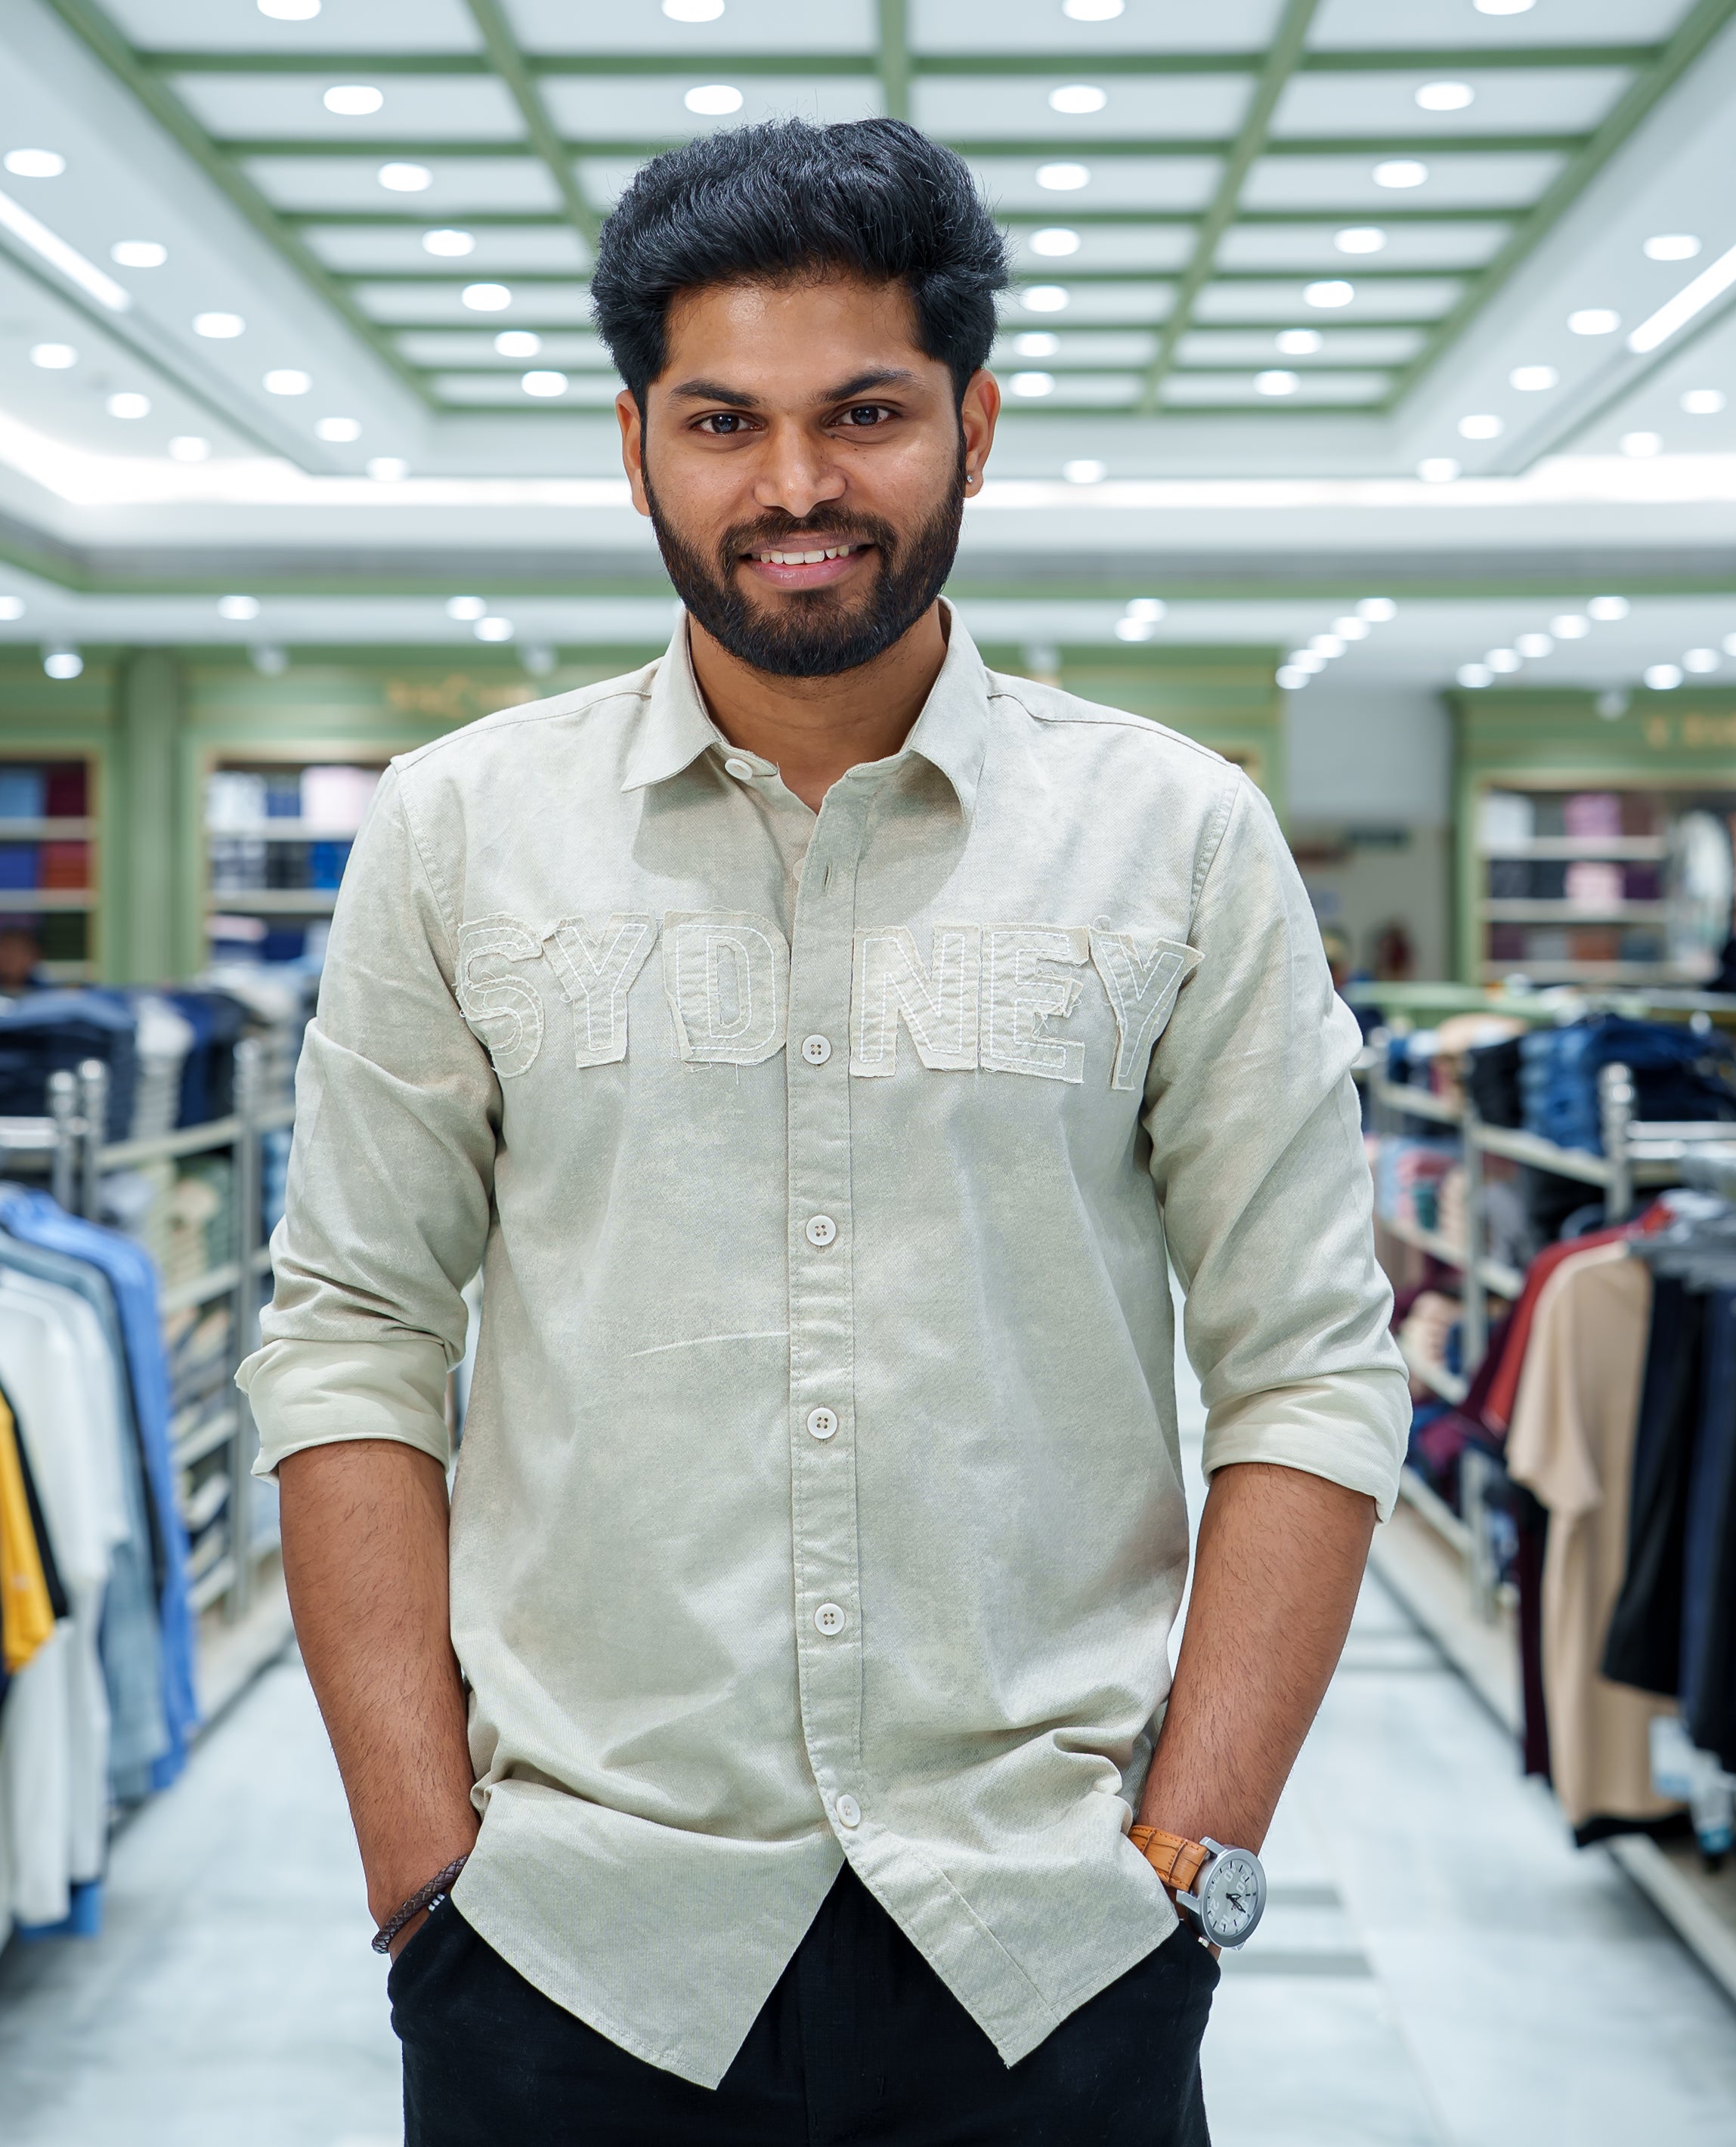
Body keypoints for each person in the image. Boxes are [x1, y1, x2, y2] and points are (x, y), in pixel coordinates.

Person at [241, 118, 1407, 2145]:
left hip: (1047, 1939)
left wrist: (1188, 1851)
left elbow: (1304, 1359)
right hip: (567, 1942)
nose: (793, 486)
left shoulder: (1175, 835)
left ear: (972, 419)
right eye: (722, 421)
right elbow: (351, 1326)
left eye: (862, 411)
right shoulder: (456, 830)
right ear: (635, 447)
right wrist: (419, 1862)